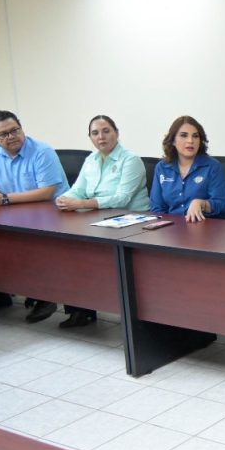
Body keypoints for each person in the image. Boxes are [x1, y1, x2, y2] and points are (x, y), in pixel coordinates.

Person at [0, 110, 69, 322]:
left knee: (32, 242)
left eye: (15, 130)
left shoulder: (42, 151)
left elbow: (46, 192)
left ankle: (46, 296)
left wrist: (3, 199)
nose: (11, 136)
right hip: (15, 211)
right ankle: (0, 293)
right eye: (4, 134)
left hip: (52, 214)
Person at [55, 114, 149, 328]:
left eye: (106, 131)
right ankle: (81, 310)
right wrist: (64, 199)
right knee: (70, 249)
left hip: (131, 222)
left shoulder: (130, 160)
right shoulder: (91, 160)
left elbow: (122, 198)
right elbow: (78, 190)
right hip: (98, 219)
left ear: (117, 133)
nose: (101, 137)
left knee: (91, 254)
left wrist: (82, 204)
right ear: (90, 137)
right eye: (95, 133)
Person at [149, 116, 225, 221]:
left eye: (195, 136)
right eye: (184, 135)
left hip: (205, 225)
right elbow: (157, 208)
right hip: (172, 226)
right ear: (173, 141)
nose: (190, 141)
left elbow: (222, 204)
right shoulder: (162, 167)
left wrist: (202, 203)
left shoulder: (212, 166)